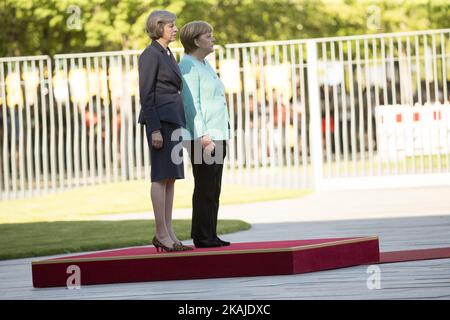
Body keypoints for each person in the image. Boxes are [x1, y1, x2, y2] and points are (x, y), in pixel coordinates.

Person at [138, 10, 192, 252]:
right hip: (160, 122)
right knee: (160, 176)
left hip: (173, 119)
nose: (176, 29)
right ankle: (160, 233)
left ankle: (168, 232)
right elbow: (146, 95)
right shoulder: (150, 55)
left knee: (171, 177)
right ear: (158, 27)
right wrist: (155, 129)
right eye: (172, 26)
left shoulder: (167, 53)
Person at [179, 21, 231, 248]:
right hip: (204, 136)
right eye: (208, 35)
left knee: (214, 186)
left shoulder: (205, 64)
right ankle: (201, 236)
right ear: (195, 40)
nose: (212, 39)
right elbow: (192, 105)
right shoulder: (188, 66)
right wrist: (203, 136)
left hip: (219, 132)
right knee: (205, 186)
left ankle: (210, 233)